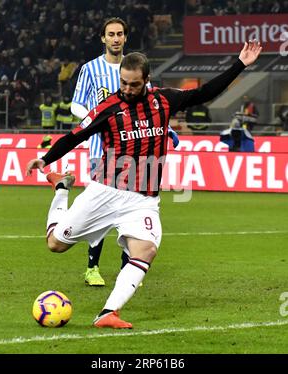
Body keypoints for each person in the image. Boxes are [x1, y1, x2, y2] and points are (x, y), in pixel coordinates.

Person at [26, 41, 262, 329]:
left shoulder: (164, 100)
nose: (126, 89)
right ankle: (62, 188)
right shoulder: (108, 107)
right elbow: (75, 136)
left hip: (143, 200)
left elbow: (204, 93)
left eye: (133, 84)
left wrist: (240, 64)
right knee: (55, 245)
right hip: (106, 192)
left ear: (146, 81)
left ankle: (107, 313)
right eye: (123, 82)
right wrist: (45, 158)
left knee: (146, 250)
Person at [71, 17, 179, 287]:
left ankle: (127, 268)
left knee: (131, 212)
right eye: (111, 34)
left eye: (120, 34)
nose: (116, 38)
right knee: (102, 210)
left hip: (135, 154)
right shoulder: (91, 69)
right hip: (101, 151)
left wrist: (166, 130)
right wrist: (94, 122)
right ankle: (92, 267)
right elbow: (75, 104)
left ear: (125, 38)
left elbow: (152, 106)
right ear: (103, 38)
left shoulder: (137, 69)